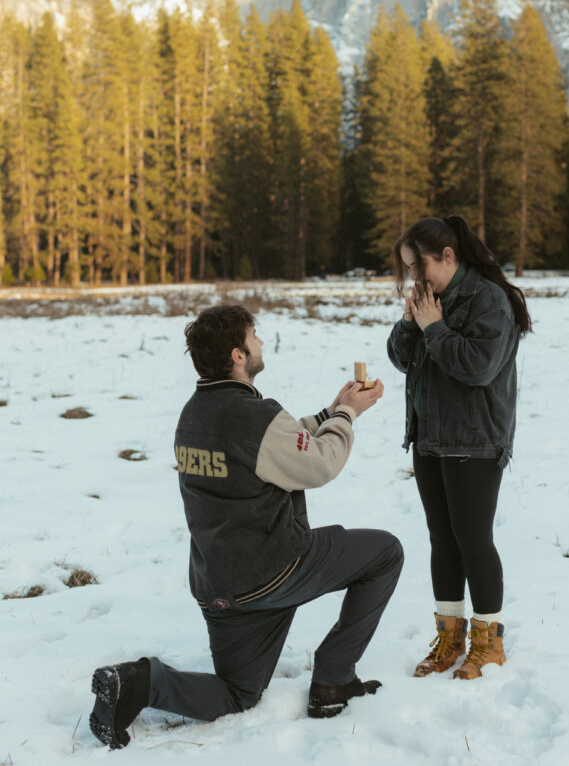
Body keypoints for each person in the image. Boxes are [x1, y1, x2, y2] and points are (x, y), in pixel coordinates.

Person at [89, 303, 402, 749]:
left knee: (237, 694)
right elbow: (318, 465)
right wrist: (347, 416)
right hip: (275, 572)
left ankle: (138, 684)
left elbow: (275, 445)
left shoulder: (193, 414)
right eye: (254, 336)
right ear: (238, 355)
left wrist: (332, 410)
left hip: (220, 587)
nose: (261, 342)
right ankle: (334, 681)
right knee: (385, 552)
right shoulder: (253, 416)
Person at [387, 216, 531, 681]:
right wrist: (411, 324)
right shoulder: (433, 299)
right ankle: (450, 638)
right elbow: (400, 357)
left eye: (418, 266)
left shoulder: (489, 299)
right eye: (409, 269)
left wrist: (433, 329)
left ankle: (488, 642)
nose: (414, 278)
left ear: (447, 256)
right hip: (430, 436)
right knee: (442, 540)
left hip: (475, 439)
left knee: (473, 540)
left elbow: (478, 367)